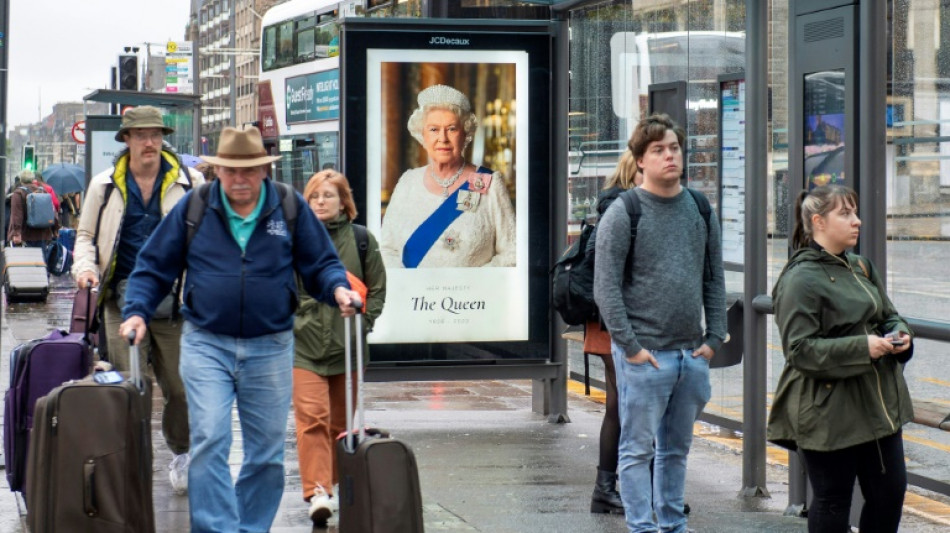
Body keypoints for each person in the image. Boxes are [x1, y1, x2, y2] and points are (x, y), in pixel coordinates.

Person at [117, 125, 361, 533]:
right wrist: (137, 310)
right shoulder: (195, 206)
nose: (240, 179)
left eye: (249, 170)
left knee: (265, 454)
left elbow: (321, 263)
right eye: (231, 171)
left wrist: (338, 288)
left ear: (265, 170)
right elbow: (153, 264)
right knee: (210, 440)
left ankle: (250, 528)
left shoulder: (288, 206)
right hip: (206, 342)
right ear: (218, 171)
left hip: (270, 344)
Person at [593, 113, 725, 533]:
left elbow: (713, 277)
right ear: (640, 161)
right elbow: (606, 288)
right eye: (658, 150)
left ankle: (672, 525)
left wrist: (714, 337)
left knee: (676, 451)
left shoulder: (700, 208)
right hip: (644, 355)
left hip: (690, 352)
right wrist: (631, 347)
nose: (669, 156)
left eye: (674, 148)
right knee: (637, 450)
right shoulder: (625, 211)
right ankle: (642, 527)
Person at [768, 185, 913, 533]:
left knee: (889, 494)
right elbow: (800, 351)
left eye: (855, 212)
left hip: (877, 405)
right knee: (833, 501)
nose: (857, 221)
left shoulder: (860, 266)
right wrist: (863, 347)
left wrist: (900, 335)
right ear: (818, 222)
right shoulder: (800, 278)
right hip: (827, 410)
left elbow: (887, 314)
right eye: (845, 214)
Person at [72, 105, 196, 494]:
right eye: (140, 135)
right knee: (129, 386)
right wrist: (85, 270)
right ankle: (133, 458)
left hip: (173, 303)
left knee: (179, 387)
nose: (149, 142)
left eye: (156, 134)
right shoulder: (104, 185)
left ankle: (183, 452)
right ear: (126, 139)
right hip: (122, 302)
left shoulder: (190, 182)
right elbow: (85, 237)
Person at [293, 169, 387, 526]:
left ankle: (329, 485)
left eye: (328, 195)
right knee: (311, 420)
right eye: (315, 195)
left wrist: (365, 323)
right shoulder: (294, 240)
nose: (320, 201)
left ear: (343, 201)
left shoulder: (362, 240)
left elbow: (377, 289)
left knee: (338, 424)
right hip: (303, 347)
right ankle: (317, 491)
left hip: (348, 347)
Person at [380, 84, 516, 268]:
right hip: (415, 296)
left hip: (473, 296)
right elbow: (387, 249)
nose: (442, 138)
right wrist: (408, 286)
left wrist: (472, 284)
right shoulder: (407, 183)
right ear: (423, 136)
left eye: (451, 128)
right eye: (434, 129)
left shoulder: (488, 183)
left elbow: (512, 252)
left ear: (465, 134)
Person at [587, 150, 642, 515]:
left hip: (610, 320)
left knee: (626, 403)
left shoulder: (614, 205)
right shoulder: (623, 211)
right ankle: (609, 488)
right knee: (625, 403)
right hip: (616, 321)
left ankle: (610, 488)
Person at [7, 170, 58, 247]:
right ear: (33, 180)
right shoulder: (43, 191)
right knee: (41, 258)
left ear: (21, 180)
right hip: (43, 235)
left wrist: (16, 233)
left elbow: (17, 215)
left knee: (27, 259)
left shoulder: (19, 194)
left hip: (26, 236)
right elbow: (52, 212)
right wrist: (55, 230)